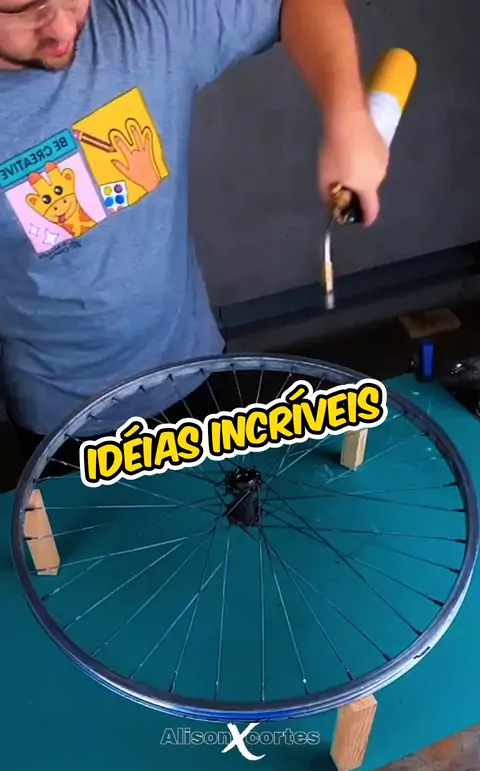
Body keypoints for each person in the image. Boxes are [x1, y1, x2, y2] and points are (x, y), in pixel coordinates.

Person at [0, 0, 388, 470]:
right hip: (65, 422)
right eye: (25, 10)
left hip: (196, 366)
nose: (63, 26)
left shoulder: (143, 17)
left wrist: (347, 117)